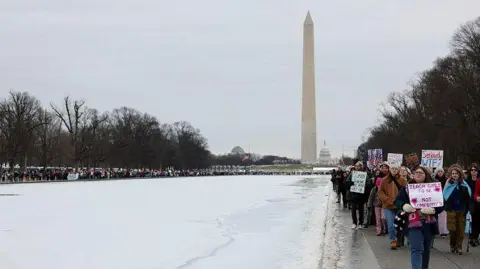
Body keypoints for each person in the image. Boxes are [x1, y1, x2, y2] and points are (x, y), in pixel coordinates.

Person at [395, 166, 443, 269]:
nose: (418, 174)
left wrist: (434, 209)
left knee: (426, 249)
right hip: (413, 223)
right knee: (416, 248)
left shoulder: (433, 188)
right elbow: (397, 201)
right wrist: (404, 205)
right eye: (416, 172)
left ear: (426, 175)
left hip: (429, 223)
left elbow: (442, 204)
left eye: (421, 173)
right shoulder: (407, 188)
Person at [443, 164, 471, 254]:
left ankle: (459, 247)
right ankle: (452, 244)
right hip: (451, 210)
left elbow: (468, 197)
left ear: (460, 174)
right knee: (452, 229)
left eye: (456, 173)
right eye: (453, 173)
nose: (454, 175)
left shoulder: (463, 184)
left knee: (461, 230)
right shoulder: (448, 183)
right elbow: (445, 195)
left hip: (461, 210)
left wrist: (468, 208)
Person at [379, 162, 407, 249]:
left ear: (398, 170)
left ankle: (399, 240)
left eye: (396, 169)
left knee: (399, 225)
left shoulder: (402, 180)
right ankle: (393, 240)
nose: (394, 170)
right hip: (388, 206)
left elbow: (406, 192)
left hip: (399, 206)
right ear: (390, 170)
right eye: (392, 169)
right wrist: (387, 200)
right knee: (391, 226)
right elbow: (380, 192)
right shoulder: (384, 180)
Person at [345, 161, 372, 229]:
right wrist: (351, 183)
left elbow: (368, 184)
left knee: (361, 210)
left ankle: (360, 223)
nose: (358, 167)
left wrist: (365, 189)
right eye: (357, 166)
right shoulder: (352, 174)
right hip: (353, 195)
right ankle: (354, 222)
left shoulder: (365, 175)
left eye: (359, 166)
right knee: (353, 210)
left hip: (361, 195)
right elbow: (347, 183)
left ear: (361, 167)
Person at [465, 163, 480, 247]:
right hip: (470, 202)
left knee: (477, 221)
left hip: (478, 202)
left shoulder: (479, 180)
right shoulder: (467, 181)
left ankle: (476, 236)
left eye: (475, 170)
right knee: (472, 220)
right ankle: (472, 238)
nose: (473, 172)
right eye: (472, 170)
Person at [434, 167, 448, 238]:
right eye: (438, 171)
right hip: (435, 198)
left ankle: (443, 232)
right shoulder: (433, 180)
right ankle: (435, 230)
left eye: (441, 171)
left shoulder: (446, 180)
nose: (440, 173)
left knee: (443, 216)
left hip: (444, 199)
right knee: (435, 215)